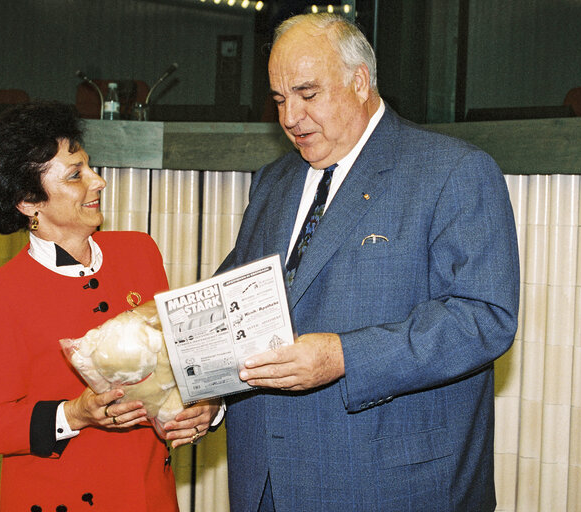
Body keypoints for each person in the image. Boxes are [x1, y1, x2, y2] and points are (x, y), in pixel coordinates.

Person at [217, 13, 520, 512]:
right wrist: (201, 394)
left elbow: (483, 318)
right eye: (278, 99)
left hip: (390, 484)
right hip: (265, 483)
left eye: (307, 94)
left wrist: (344, 357)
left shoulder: (454, 172)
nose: (290, 116)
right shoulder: (272, 181)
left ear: (359, 82)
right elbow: (235, 303)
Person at [0, 101, 220, 511]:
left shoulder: (140, 252)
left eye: (90, 167)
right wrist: (73, 414)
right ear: (29, 203)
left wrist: (207, 406)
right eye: (76, 175)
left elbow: (179, 362)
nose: (98, 182)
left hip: (150, 496)